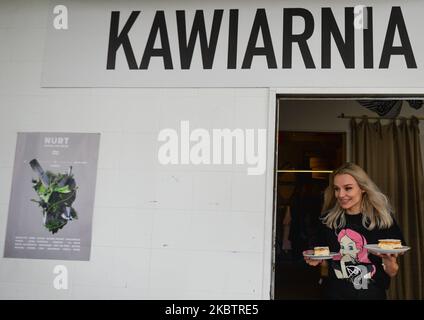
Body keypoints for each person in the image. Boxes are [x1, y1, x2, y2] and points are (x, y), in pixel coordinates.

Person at [304, 162, 405, 300]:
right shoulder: (327, 221)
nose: (341, 194)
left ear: (362, 188)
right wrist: (313, 257)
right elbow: (318, 250)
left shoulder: (382, 220)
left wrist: (389, 263)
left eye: (348, 188)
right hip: (334, 294)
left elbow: (392, 270)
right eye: (337, 189)